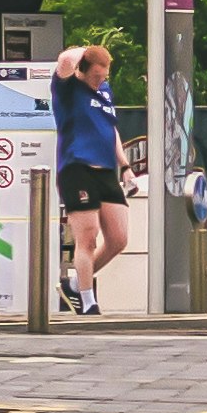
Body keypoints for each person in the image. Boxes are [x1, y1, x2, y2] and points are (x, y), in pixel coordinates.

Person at [53, 43, 129, 314]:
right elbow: (64, 59)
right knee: (88, 237)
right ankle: (87, 302)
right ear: (82, 72)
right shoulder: (67, 89)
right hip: (77, 168)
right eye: (95, 77)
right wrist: (87, 50)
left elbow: (110, 129)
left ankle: (75, 282)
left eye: (104, 77)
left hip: (106, 170)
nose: (100, 82)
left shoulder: (104, 92)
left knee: (119, 238)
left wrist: (125, 165)